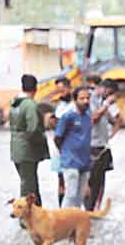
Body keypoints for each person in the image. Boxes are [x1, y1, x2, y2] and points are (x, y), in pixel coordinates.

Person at [9, 74, 49, 207]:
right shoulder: (30, 105)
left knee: (27, 182)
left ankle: (36, 212)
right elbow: (33, 129)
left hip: (16, 148)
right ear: (36, 88)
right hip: (28, 151)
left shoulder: (15, 103)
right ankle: (27, 216)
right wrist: (42, 141)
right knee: (29, 187)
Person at [54, 86, 92, 209]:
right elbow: (57, 138)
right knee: (70, 195)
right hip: (70, 162)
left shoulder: (87, 117)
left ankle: (75, 224)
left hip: (85, 162)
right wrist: (65, 153)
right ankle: (63, 224)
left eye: (87, 98)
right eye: (82, 98)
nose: (86, 101)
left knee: (80, 197)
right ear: (75, 100)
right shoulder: (68, 117)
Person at [86, 79, 121, 211]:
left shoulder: (101, 101)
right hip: (92, 145)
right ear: (103, 88)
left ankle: (95, 207)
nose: (109, 96)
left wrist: (113, 127)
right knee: (91, 180)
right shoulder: (91, 100)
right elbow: (93, 118)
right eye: (109, 92)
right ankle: (88, 209)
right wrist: (106, 104)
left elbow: (116, 120)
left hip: (103, 145)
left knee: (100, 179)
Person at [53, 77, 73, 206]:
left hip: (71, 147)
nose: (61, 93)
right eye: (58, 91)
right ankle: (61, 209)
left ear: (69, 88)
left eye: (63, 90)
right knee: (60, 179)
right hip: (58, 147)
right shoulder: (59, 105)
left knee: (72, 179)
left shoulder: (75, 105)